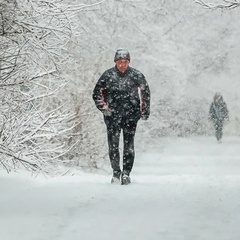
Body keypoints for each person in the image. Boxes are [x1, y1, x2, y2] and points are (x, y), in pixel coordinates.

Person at [92, 48, 151, 185]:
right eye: (120, 61)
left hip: (131, 115)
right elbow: (96, 94)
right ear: (115, 62)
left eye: (125, 62)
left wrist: (144, 110)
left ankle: (126, 173)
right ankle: (116, 172)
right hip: (112, 116)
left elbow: (145, 93)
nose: (122, 64)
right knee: (113, 145)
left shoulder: (136, 75)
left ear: (128, 62)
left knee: (129, 146)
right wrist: (104, 109)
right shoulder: (108, 75)